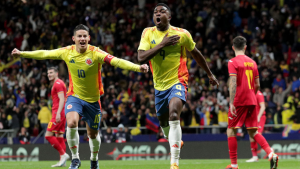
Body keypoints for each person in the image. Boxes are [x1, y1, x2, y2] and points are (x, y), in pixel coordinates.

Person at [11, 24, 149, 169]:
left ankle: (94, 159)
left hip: (93, 101)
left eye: (85, 36)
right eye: (79, 36)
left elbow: (117, 61)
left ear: (89, 38)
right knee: (71, 123)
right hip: (74, 96)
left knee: (93, 135)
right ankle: (75, 158)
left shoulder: (96, 53)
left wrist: (137, 67)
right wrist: (22, 53)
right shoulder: (67, 52)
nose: (82, 39)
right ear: (74, 38)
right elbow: (45, 53)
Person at [137, 3, 219, 169]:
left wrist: (209, 74)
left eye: (162, 11)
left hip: (178, 80)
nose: (158, 14)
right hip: (159, 85)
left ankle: (174, 163)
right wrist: (162, 44)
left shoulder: (182, 34)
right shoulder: (148, 33)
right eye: (155, 12)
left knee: (174, 114)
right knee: (163, 120)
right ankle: (175, 141)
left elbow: (196, 54)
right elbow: (141, 57)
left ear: (170, 16)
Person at [226, 36, 278, 169]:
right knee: (253, 132)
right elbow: (258, 85)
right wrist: (251, 95)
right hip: (252, 100)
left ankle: (234, 165)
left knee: (231, 130)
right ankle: (271, 153)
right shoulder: (253, 62)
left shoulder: (232, 62)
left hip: (239, 100)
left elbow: (233, 82)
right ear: (245, 47)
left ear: (233, 48)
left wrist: (232, 102)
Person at [44, 66, 69, 167]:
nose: (49, 75)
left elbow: (62, 99)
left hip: (58, 113)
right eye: (48, 73)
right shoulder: (58, 83)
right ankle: (62, 161)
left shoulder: (58, 84)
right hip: (61, 112)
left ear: (56, 73)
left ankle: (63, 155)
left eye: (51, 73)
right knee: (59, 136)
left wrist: (58, 113)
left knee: (48, 135)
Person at [246, 90, 266, 162]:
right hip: (253, 118)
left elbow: (263, 107)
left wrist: (258, 117)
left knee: (257, 135)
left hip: (260, 117)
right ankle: (255, 157)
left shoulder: (259, 94)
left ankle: (269, 150)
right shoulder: (251, 94)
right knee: (251, 136)